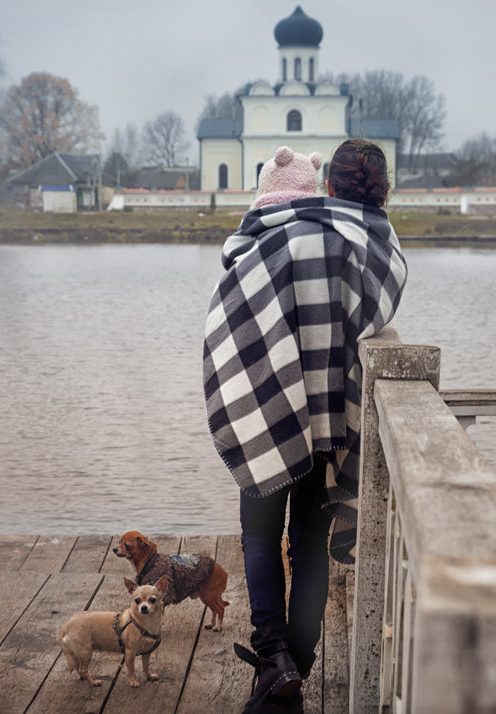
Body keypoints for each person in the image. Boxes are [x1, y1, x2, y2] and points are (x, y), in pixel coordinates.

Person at [202, 139, 407, 713]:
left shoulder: (271, 237)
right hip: (332, 421)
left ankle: (273, 660)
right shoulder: (369, 247)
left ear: (330, 186)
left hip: (269, 412)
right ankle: (295, 667)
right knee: (310, 549)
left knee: (260, 537)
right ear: (381, 193)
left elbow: (229, 320)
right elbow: (375, 313)